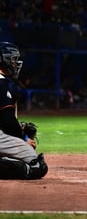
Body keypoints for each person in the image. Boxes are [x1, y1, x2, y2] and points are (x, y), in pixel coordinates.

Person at [0, 42, 48, 179]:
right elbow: (7, 119)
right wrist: (23, 138)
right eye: (13, 59)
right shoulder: (3, 83)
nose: (15, 63)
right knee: (37, 166)